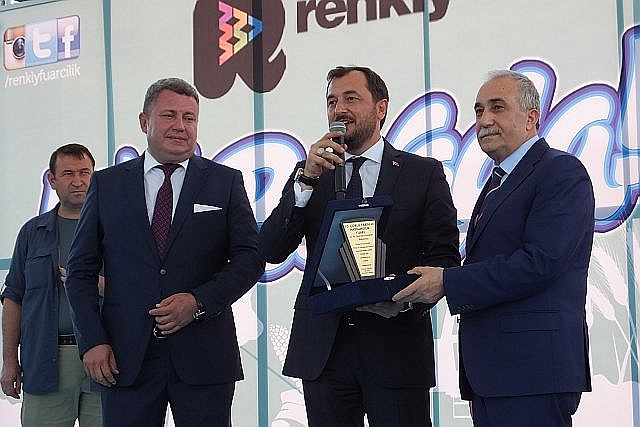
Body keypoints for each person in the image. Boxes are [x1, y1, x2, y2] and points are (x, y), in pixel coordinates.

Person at [259, 66, 460, 426]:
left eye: (351, 98)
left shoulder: (422, 173)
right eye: (332, 102)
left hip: (396, 347)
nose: (339, 109)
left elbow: (443, 257)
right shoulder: (310, 173)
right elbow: (271, 249)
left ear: (381, 107)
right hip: (324, 352)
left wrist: (404, 299)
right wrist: (306, 182)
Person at [394, 70, 594, 427]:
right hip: (493, 374)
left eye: (497, 107)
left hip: (533, 372)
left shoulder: (560, 171)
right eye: (479, 110)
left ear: (531, 118)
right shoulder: (497, 182)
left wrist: (447, 282)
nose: (484, 120)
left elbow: (540, 262)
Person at [64, 77, 264, 427]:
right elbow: (80, 272)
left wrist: (198, 302)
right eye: (169, 115)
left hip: (205, 357)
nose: (181, 126)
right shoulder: (107, 184)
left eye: (190, 118)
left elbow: (251, 259)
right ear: (145, 122)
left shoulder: (225, 181)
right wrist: (92, 341)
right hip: (123, 359)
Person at [1, 143, 103, 427]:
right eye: (68, 173)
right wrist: (9, 361)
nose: (78, 181)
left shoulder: (114, 230)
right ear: (52, 179)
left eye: (85, 172)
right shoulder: (32, 233)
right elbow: (13, 298)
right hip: (45, 358)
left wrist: (92, 284)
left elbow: (137, 291)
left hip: (105, 358)